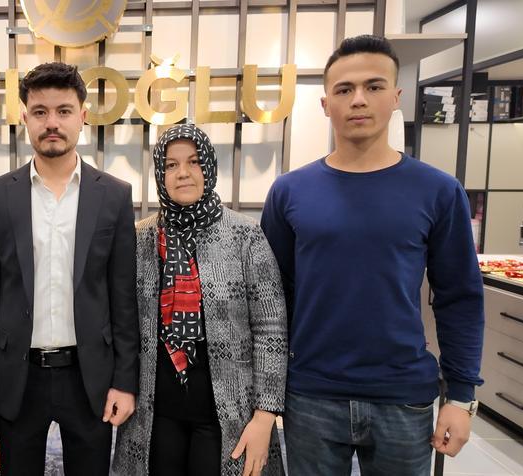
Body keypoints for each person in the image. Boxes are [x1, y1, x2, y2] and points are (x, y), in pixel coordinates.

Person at [260, 35, 485, 475]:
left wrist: (460, 397)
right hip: (311, 394)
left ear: (395, 97)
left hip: (402, 396)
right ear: (326, 104)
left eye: (373, 86)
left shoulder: (438, 191)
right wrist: (266, 393)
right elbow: (270, 300)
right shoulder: (289, 192)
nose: (358, 100)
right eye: (344, 89)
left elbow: (459, 296)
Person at [0, 62, 139, 475]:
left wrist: (125, 381)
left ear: (83, 116)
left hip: (89, 378)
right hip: (17, 378)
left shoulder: (114, 196)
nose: (52, 123)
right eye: (40, 112)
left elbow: (124, 299)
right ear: (25, 117)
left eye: (63, 111)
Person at [111, 124, 288, 476]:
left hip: (229, 410)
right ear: (160, 174)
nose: (183, 173)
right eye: (171, 165)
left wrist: (265, 415)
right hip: (155, 411)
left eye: (193, 162)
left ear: (209, 167)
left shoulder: (244, 235)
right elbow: (122, 321)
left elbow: (271, 329)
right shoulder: (141, 237)